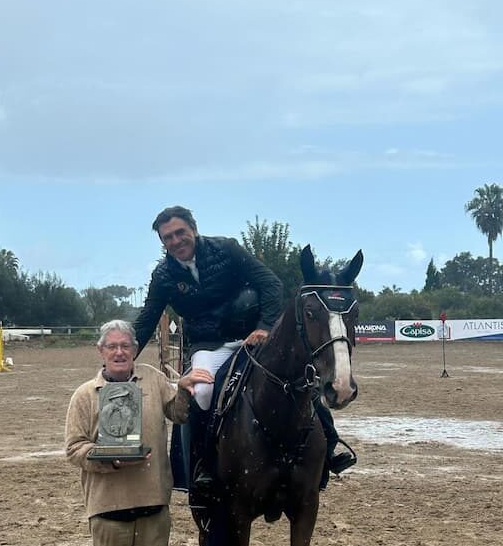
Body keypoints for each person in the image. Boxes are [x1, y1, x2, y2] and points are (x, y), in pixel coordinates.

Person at [132, 205, 355, 493]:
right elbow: (148, 317)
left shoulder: (228, 249)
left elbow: (270, 283)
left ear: (193, 229)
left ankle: (329, 448)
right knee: (201, 392)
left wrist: (264, 326)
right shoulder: (163, 275)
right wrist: (125, 357)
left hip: (254, 336)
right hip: (209, 346)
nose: (176, 241)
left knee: (298, 379)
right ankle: (203, 465)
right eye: (167, 238)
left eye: (180, 233)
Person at [65, 319, 212, 546]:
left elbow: (176, 414)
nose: (119, 352)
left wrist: (185, 389)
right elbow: (73, 449)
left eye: (126, 346)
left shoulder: (154, 379)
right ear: (101, 351)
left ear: (134, 350)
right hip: (107, 509)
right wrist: (108, 460)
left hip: (152, 506)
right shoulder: (85, 395)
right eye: (112, 346)